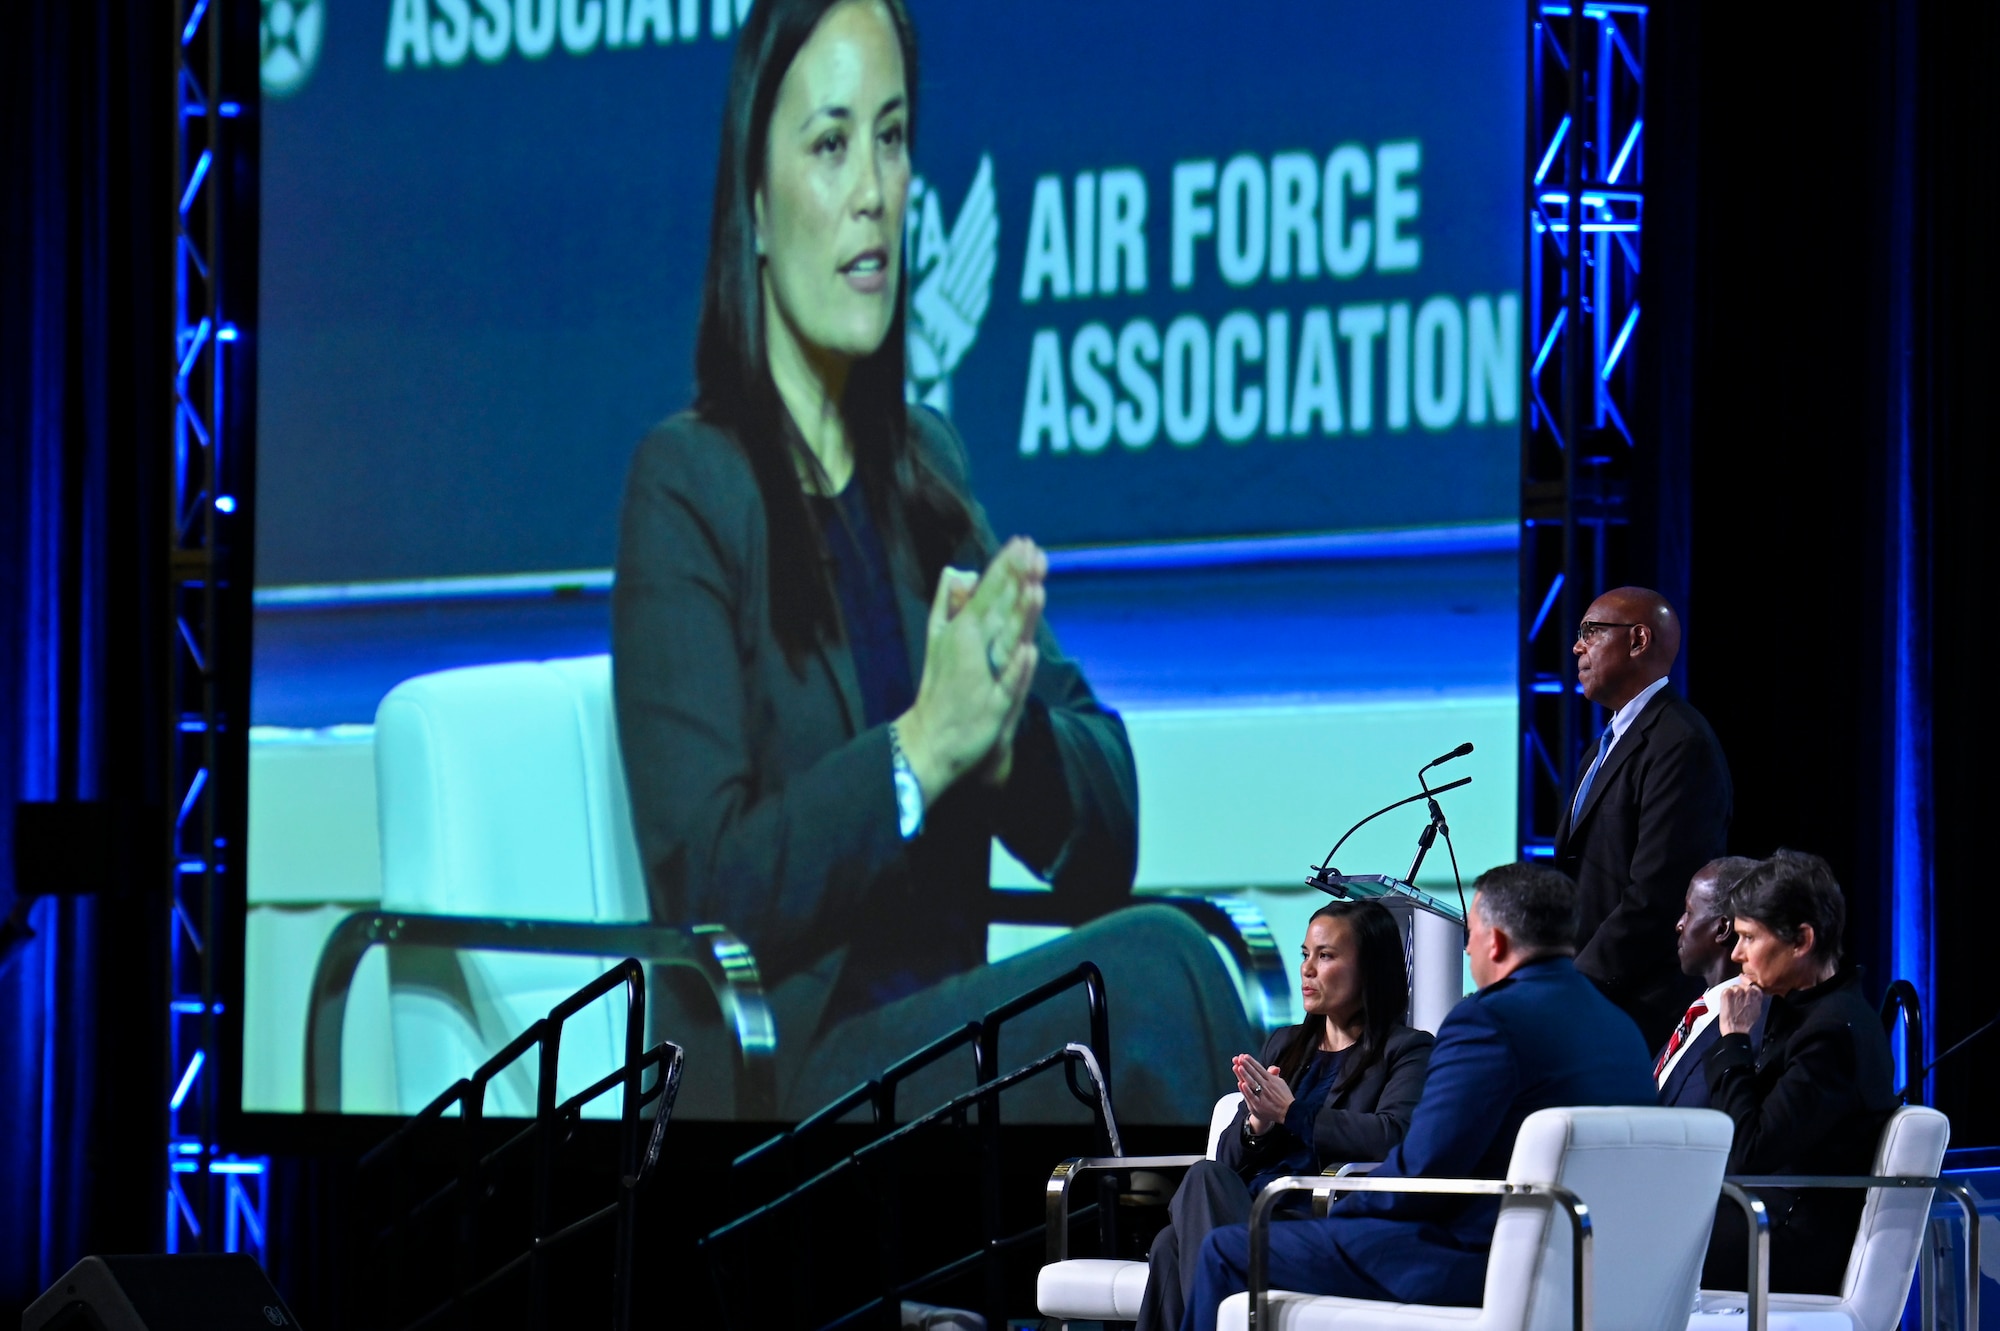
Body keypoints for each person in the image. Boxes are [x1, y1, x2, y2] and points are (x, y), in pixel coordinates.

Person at [610, 0, 1255, 1121]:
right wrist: (917, 751)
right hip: (786, 1079)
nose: (872, 188)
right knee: (1148, 982)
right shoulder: (685, 485)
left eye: (893, 137)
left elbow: (1105, 832)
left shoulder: (923, 472)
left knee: (1190, 952)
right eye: (828, 143)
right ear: (755, 207)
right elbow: (709, 891)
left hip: (945, 1041)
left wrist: (1003, 747)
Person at [1181, 864, 1656, 1331]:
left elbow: (1422, 1171)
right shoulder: (1622, 1030)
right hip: (1588, 1267)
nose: (1467, 948)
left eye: (1470, 934)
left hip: (1467, 1258)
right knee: (1184, 1245)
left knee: (1228, 1250)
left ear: (1496, 941)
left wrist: (1337, 1214)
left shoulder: (1487, 1022)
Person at [1134, 900, 1435, 1331]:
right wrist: (1257, 1124)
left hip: (1316, 1221)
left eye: (1326, 955)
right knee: (1189, 1206)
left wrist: (1293, 1113)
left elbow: (1394, 1136)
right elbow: (1227, 1161)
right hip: (1252, 1207)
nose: (1307, 970)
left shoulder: (1406, 1050)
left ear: (1369, 969)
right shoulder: (1286, 1044)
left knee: (1174, 1235)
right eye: (1305, 954)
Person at [1701, 851, 1896, 1294]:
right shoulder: (1805, 1011)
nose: (1736, 955)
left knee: (1639, 1233)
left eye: (1749, 937)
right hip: (1768, 1216)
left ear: (1801, 941)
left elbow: (1751, 1152)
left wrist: (1733, 1039)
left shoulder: (1833, 1031)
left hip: (1792, 1239)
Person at [1557, 587, 1734, 1047]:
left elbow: (1657, 895)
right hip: (1595, 1000)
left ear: (1638, 640)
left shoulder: (1680, 743)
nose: (1577, 647)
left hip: (1639, 1010)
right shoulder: (1603, 746)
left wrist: (1578, 983)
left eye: (1590, 632)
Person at [1655, 856, 1765, 1107]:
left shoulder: (1753, 1026)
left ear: (1723, 928)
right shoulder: (1699, 1012)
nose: (1679, 924)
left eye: (1690, 912)